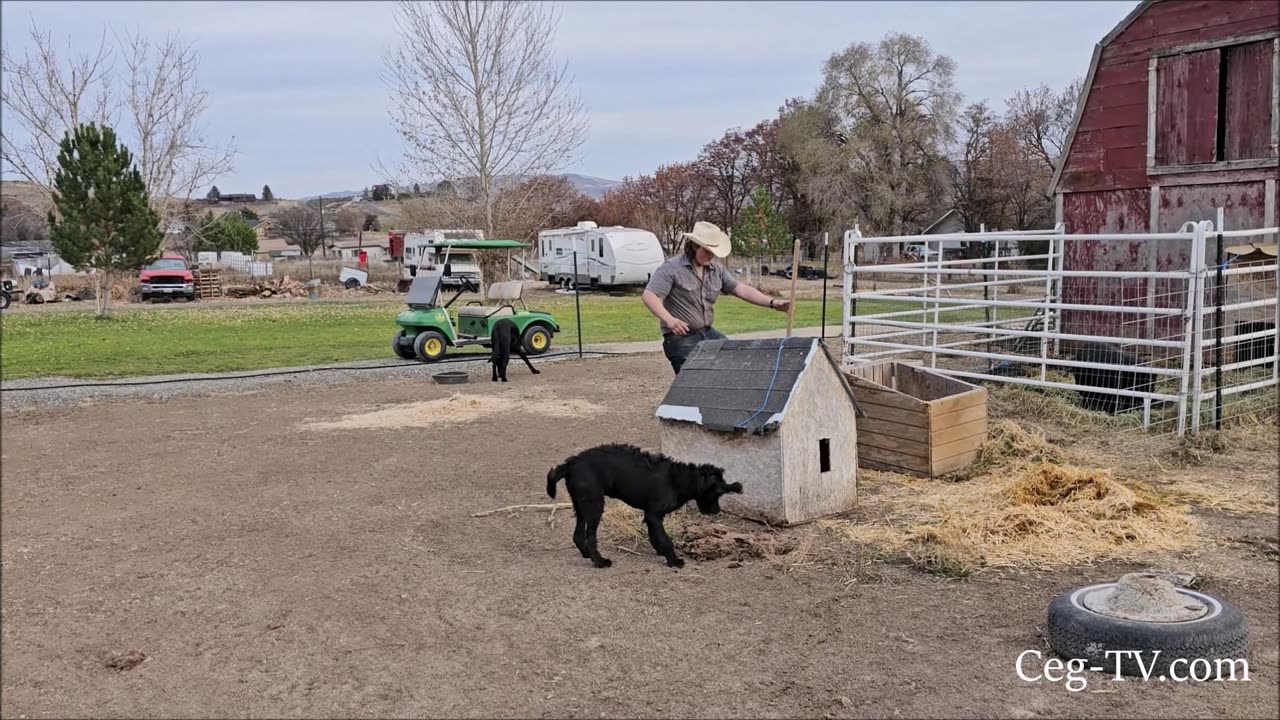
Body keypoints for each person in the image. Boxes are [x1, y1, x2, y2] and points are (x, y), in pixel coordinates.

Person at [642, 220, 790, 374]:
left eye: (713, 252)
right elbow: (650, 295)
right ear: (693, 246)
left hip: (707, 333)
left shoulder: (716, 270)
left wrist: (773, 302)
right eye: (706, 251)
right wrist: (670, 320)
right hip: (679, 338)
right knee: (695, 380)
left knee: (734, 361)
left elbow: (742, 289)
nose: (710, 256)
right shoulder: (671, 268)